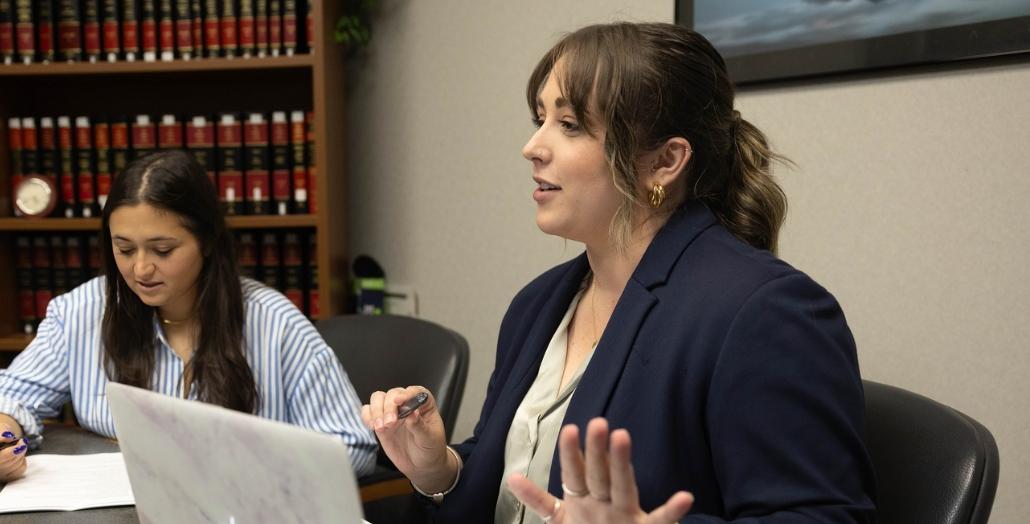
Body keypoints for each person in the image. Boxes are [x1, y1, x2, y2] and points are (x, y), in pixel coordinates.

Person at [362, 22, 876, 523]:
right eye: (539, 118)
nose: (533, 146)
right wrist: (441, 470)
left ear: (664, 162)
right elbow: (519, 486)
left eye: (569, 125)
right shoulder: (537, 303)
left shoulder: (767, 311)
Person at [0, 150, 376, 482]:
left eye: (162, 251)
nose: (140, 269)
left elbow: (352, 445)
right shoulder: (82, 311)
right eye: (124, 249)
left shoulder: (276, 324)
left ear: (207, 241)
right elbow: (7, 395)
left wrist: (251, 464)